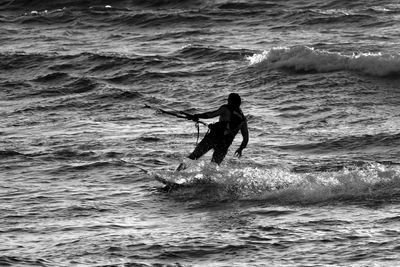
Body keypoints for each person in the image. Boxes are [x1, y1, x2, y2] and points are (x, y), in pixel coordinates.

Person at [178, 93, 249, 170]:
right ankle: (207, 180)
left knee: (193, 156)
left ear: (230, 101)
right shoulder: (243, 119)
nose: (227, 101)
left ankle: (177, 173)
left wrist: (196, 116)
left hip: (213, 137)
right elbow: (246, 138)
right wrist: (240, 149)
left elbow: (210, 115)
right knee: (213, 166)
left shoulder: (225, 108)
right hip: (224, 144)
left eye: (228, 99)